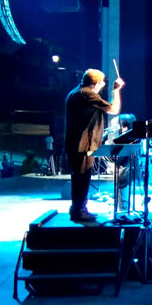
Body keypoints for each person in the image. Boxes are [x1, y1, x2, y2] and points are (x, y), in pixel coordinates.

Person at [64, 68, 124, 222]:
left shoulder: (75, 92)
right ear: (96, 82)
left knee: (80, 178)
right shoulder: (87, 94)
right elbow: (114, 109)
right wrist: (116, 90)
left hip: (77, 143)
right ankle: (79, 211)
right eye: (103, 82)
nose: (104, 85)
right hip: (83, 145)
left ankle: (78, 209)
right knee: (82, 178)